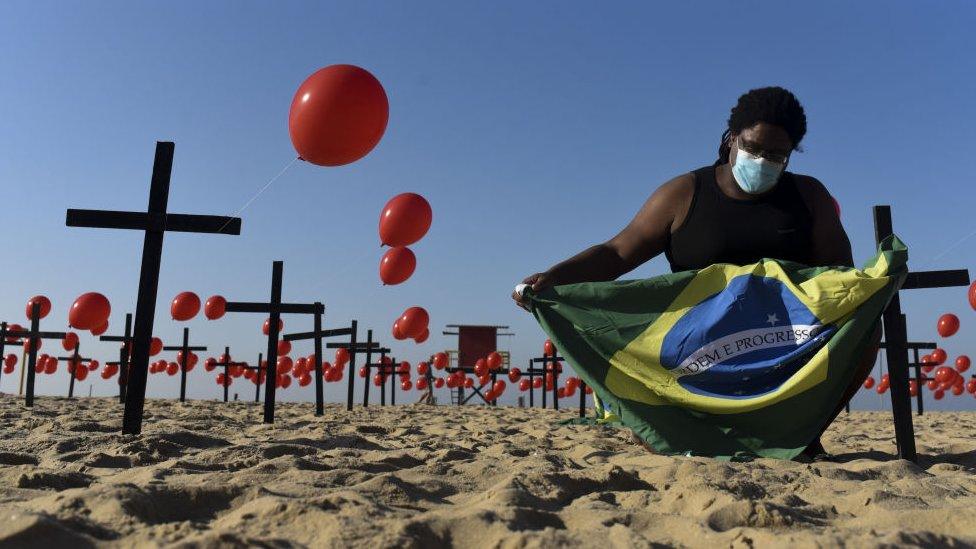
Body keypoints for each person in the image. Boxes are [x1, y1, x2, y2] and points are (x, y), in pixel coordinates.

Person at [512, 86, 876, 459]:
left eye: (776, 155)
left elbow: (842, 279)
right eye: (753, 147)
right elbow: (617, 252)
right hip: (697, 352)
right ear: (732, 138)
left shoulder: (808, 197)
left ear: (790, 155)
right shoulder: (684, 193)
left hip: (783, 346)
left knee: (865, 332)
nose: (762, 160)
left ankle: (803, 435)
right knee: (654, 426)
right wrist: (555, 277)